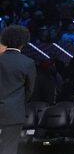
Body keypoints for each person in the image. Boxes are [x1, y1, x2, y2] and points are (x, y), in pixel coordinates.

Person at [0, 25, 36, 154]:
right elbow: (30, 90)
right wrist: (17, 102)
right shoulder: (27, 62)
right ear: (23, 41)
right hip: (13, 112)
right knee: (9, 148)